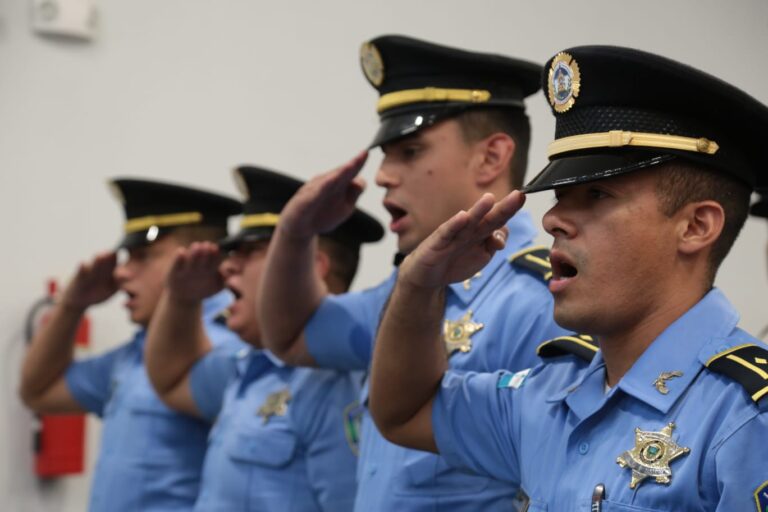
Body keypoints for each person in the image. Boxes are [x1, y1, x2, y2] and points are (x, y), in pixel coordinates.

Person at [368, 45, 768, 511]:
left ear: (696, 227)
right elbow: (405, 412)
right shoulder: (551, 394)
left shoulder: (747, 420)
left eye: (596, 194)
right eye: (561, 195)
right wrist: (420, 285)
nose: (553, 219)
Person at [258, 35, 566, 511]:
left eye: (410, 150)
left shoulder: (545, 300)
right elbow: (292, 335)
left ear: (491, 157)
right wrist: (295, 234)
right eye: (386, 154)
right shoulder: (403, 296)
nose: (383, 175)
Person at [144, 166, 384, 511]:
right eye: (232, 253)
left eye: (250, 250)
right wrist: (181, 300)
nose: (227, 266)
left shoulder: (334, 381)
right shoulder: (251, 365)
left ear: (309, 267)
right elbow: (170, 381)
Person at [19, 178, 243, 511]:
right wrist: (70, 306)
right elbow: (38, 391)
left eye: (143, 256)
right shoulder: (137, 352)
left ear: (198, 260)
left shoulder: (228, 349)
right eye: (126, 257)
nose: (122, 272)